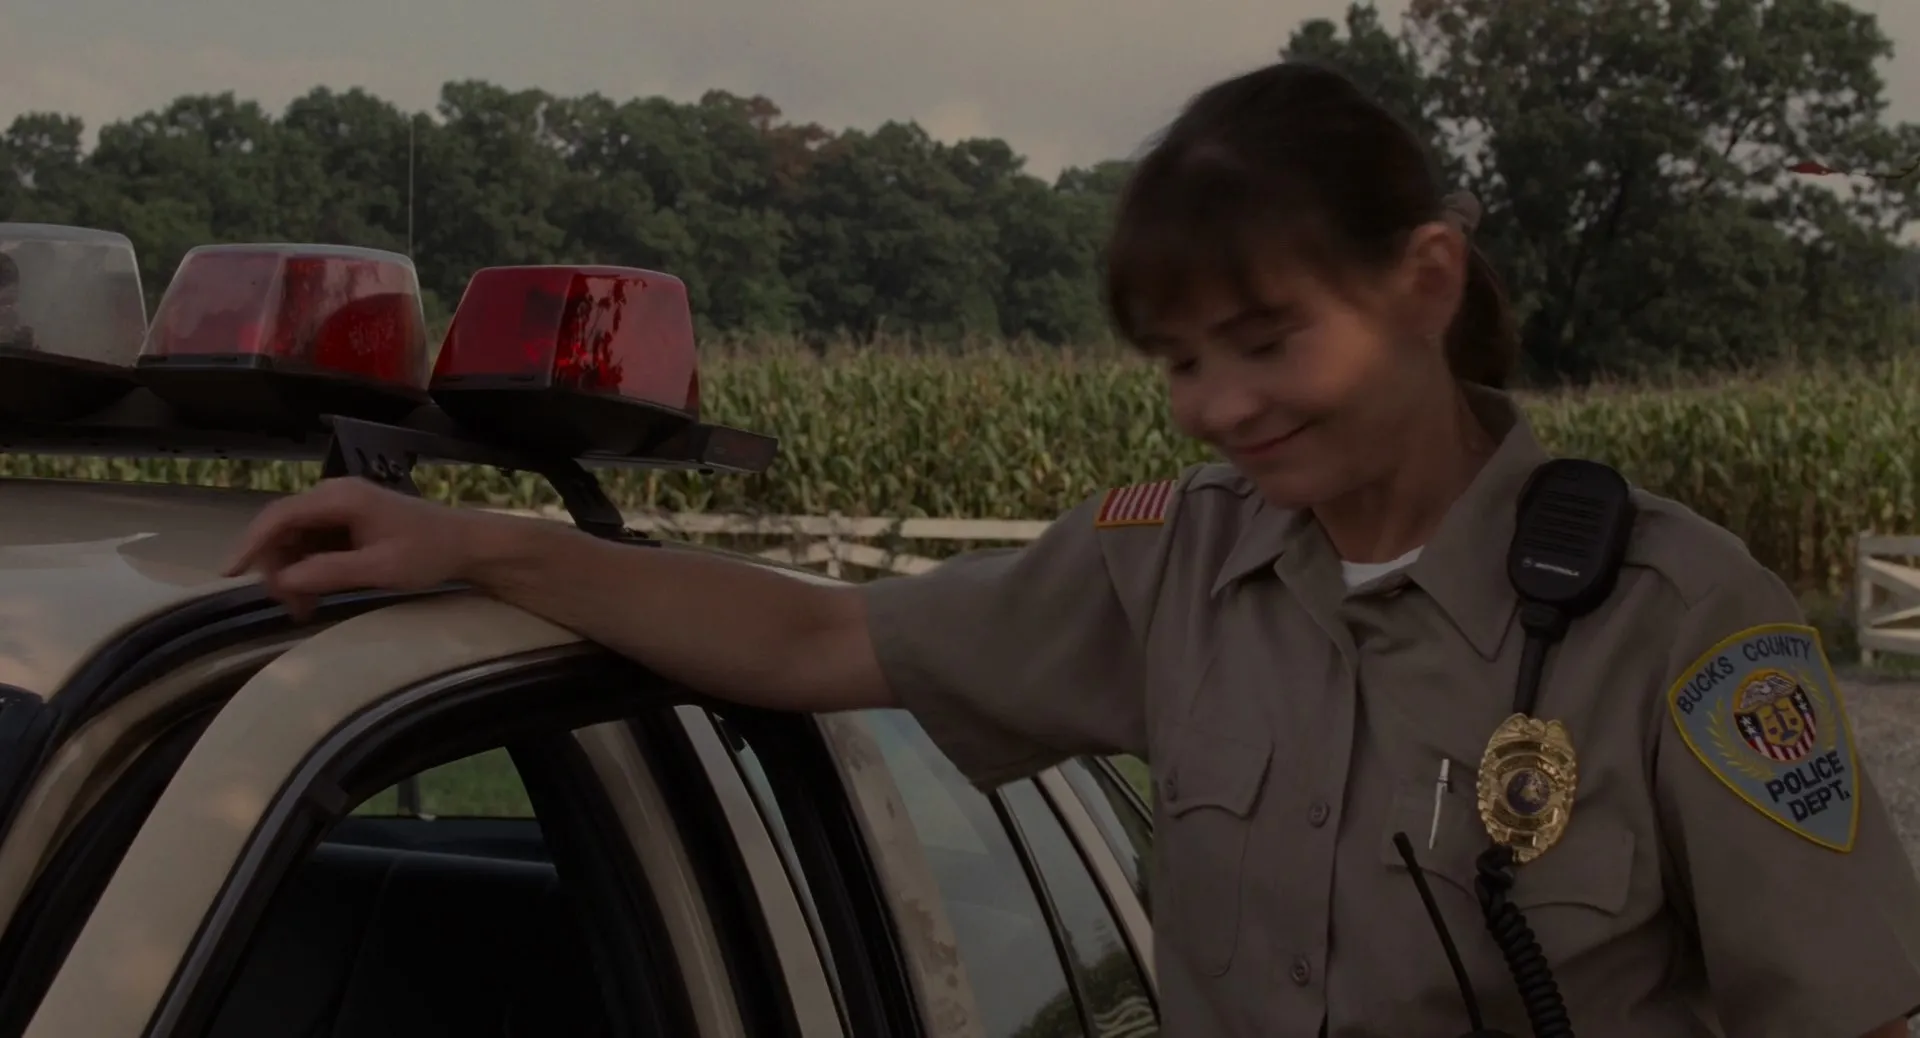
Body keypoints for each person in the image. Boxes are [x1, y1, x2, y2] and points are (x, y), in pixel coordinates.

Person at [225, 61, 1920, 1037]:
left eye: (1267, 338)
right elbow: (819, 641)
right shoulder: (1165, 570)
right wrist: (476, 540)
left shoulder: (1679, 616)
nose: (1220, 407)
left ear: (1424, 282)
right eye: (1180, 360)